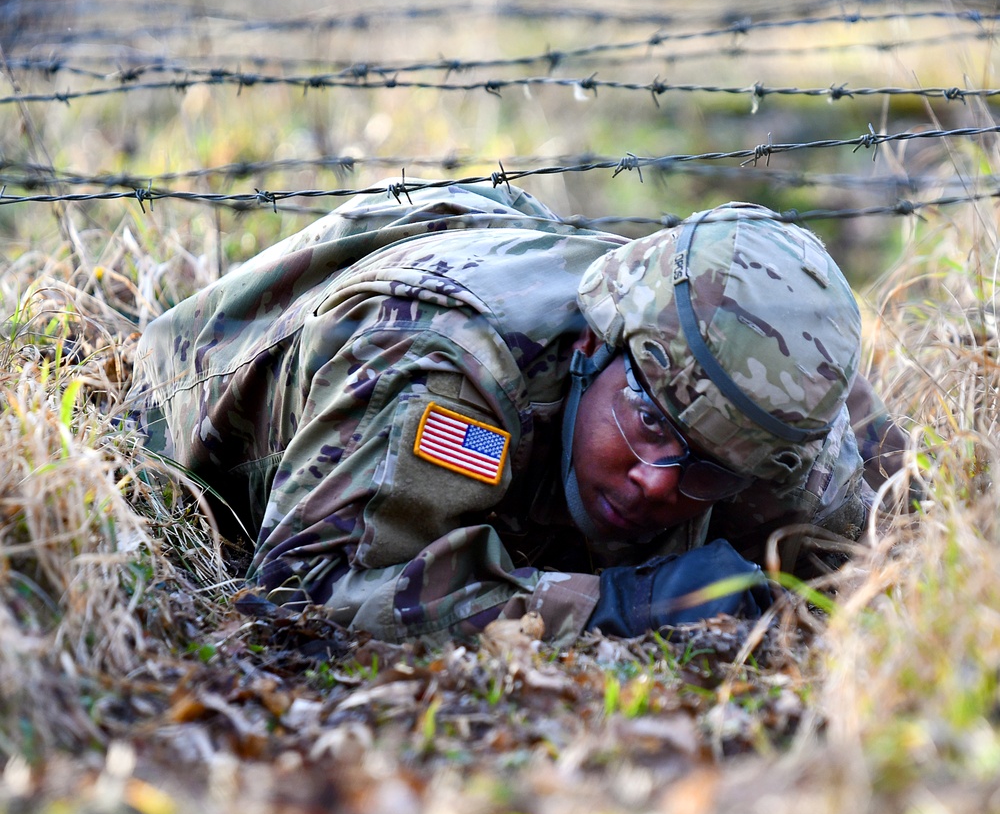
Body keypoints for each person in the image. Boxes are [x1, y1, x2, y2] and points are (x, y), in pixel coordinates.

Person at [124, 181, 905, 643]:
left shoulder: (758, 417)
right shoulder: (446, 368)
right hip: (188, 427)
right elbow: (302, 595)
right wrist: (617, 606)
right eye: (650, 426)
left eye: (704, 472)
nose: (657, 484)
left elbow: (899, 562)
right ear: (597, 347)